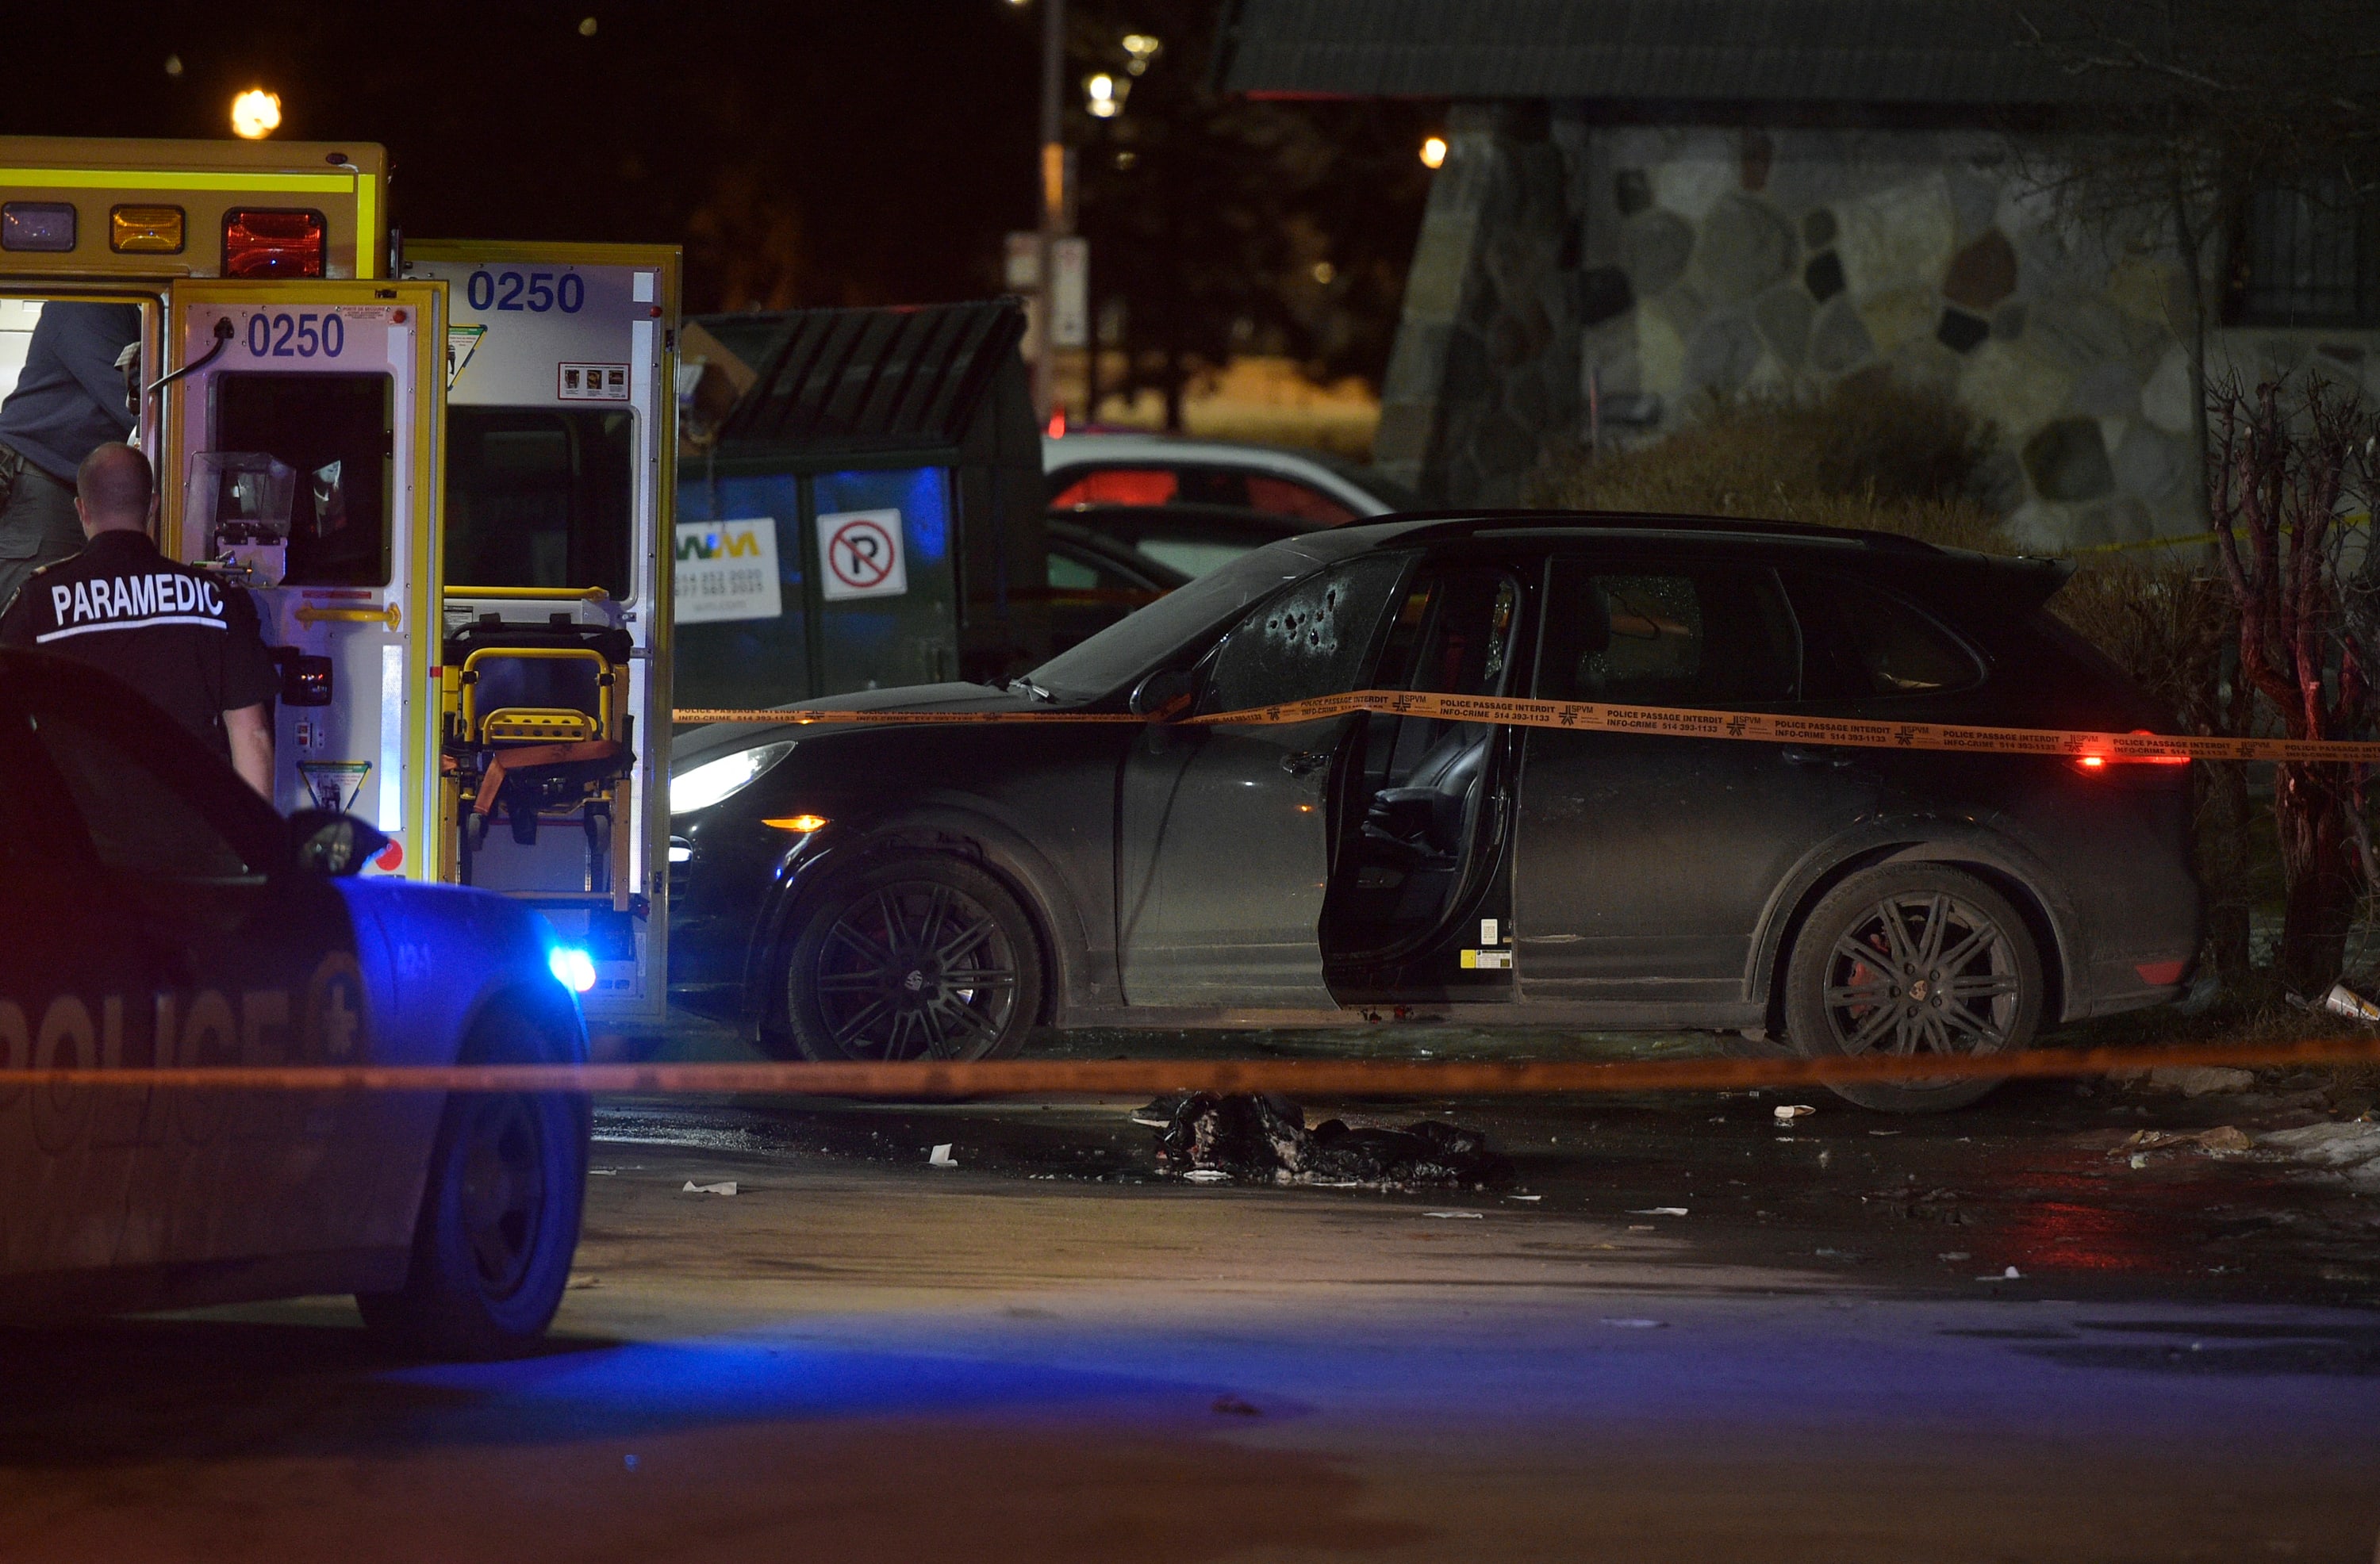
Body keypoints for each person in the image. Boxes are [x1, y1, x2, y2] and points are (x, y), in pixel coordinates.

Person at [0, 443, 278, 798]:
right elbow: (252, 736)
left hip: (81, 845)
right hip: (197, 842)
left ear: (81, 510)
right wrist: (253, 849)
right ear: (153, 506)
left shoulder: (37, 603)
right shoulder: (214, 599)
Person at [0, 302, 144, 611]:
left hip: (71, 485)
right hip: (43, 481)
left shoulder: (130, 306)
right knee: (38, 623)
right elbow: (134, 404)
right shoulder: (90, 304)